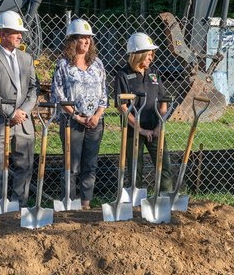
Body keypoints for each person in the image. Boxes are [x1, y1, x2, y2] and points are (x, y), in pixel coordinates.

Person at [0, 10, 39, 206]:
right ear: (3, 34)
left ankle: (18, 204)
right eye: (15, 32)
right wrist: (11, 113)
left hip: (24, 122)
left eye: (21, 32)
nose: (20, 36)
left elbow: (33, 87)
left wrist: (24, 112)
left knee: (25, 165)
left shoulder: (26, 59)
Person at [51, 19, 107, 209]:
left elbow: (104, 94)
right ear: (72, 41)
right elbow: (58, 95)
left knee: (90, 165)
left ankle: (86, 204)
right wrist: (77, 116)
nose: (87, 41)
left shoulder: (97, 64)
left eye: (88, 38)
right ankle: (69, 203)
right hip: (72, 122)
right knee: (72, 165)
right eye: (82, 38)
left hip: (95, 122)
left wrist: (97, 115)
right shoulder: (63, 66)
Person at [113, 32, 173, 194]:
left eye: (152, 54)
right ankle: (135, 204)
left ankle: (165, 198)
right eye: (148, 55)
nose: (151, 58)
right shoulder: (123, 75)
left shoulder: (154, 73)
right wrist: (140, 129)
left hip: (155, 128)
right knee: (135, 168)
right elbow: (122, 106)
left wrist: (159, 125)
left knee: (164, 166)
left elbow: (163, 101)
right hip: (134, 130)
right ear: (138, 55)